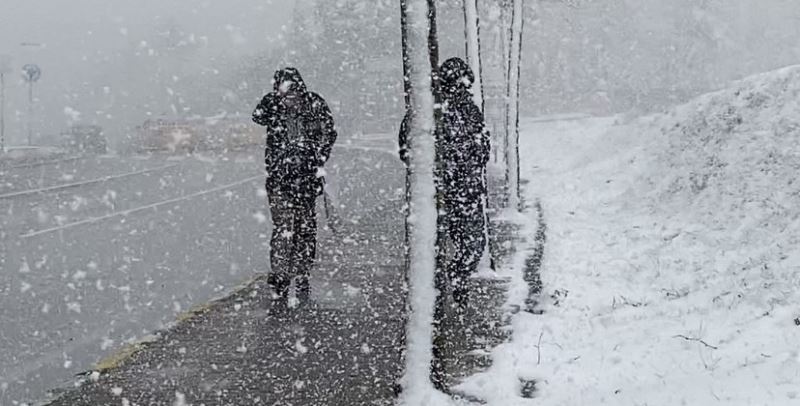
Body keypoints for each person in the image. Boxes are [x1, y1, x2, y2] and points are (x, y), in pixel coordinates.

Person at [398, 57, 490, 308]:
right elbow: (408, 147)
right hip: (438, 193)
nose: (463, 89)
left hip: (467, 191)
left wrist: (471, 161)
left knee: (473, 245)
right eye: (459, 84)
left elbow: (483, 144)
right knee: (431, 249)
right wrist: (436, 168)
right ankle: (433, 295)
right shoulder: (426, 111)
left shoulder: (471, 112)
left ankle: (458, 277)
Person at [252, 67, 337, 308]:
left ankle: (301, 272)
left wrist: (318, 157)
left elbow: (329, 132)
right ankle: (280, 275)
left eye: (292, 93)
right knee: (284, 228)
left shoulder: (314, 104)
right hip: (280, 180)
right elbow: (257, 116)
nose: (289, 99)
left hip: (307, 180)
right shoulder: (273, 106)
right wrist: (275, 100)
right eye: (284, 93)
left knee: (305, 228)